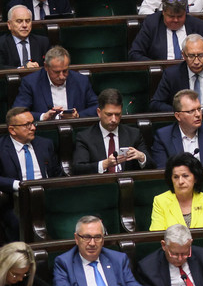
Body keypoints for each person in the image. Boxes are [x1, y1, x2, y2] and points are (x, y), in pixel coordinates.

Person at [0, 107, 63, 240]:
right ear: (12, 130)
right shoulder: (1, 147)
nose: (33, 128)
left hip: (47, 198)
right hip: (16, 200)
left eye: (33, 123)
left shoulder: (45, 144)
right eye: (27, 125)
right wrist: (19, 185)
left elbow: (57, 173)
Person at [52, 216, 143, 286]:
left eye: (97, 237)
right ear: (76, 238)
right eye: (87, 237)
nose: (92, 243)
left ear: (103, 239)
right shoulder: (64, 263)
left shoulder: (118, 259)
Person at [149, 35, 203, 112]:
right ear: (183, 55)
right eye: (191, 56)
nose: (196, 61)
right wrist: (183, 113)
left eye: (200, 55)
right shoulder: (172, 74)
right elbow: (156, 103)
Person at [71, 88, 150, 175]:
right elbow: (78, 169)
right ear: (99, 112)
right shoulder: (85, 137)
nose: (114, 119)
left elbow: (152, 166)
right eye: (109, 114)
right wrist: (105, 164)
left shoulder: (134, 134)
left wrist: (142, 157)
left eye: (117, 114)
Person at [136, 224, 203, 286]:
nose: (180, 258)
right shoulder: (148, 267)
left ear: (190, 243)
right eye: (175, 254)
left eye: (185, 253)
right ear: (164, 245)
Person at [13, 46, 97, 120]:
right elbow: (18, 112)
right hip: (44, 131)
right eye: (56, 72)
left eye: (65, 71)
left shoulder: (81, 80)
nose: (61, 76)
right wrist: (43, 116)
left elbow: (97, 107)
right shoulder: (31, 82)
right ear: (46, 67)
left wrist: (78, 116)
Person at [150, 90, 203, 167]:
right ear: (178, 116)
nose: (198, 114)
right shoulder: (163, 137)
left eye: (199, 109)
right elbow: (162, 171)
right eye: (191, 111)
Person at [130, 0, 203, 62]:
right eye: (171, 16)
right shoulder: (151, 24)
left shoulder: (199, 26)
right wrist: (158, 66)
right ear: (163, 12)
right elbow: (135, 53)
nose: (176, 20)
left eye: (180, 16)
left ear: (185, 13)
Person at [149, 153, 203, 230]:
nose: (180, 181)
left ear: (195, 178)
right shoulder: (161, 201)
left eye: (185, 176)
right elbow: (157, 235)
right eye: (176, 177)